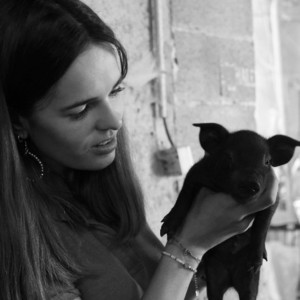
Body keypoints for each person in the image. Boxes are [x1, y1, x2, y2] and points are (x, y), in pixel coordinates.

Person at [0, 0, 278, 299]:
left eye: (116, 90)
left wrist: (216, 243)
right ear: (18, 121)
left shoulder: (97, 186)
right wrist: (189, 247)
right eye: (81, 109)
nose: (114, 120)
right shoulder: (18, 236)